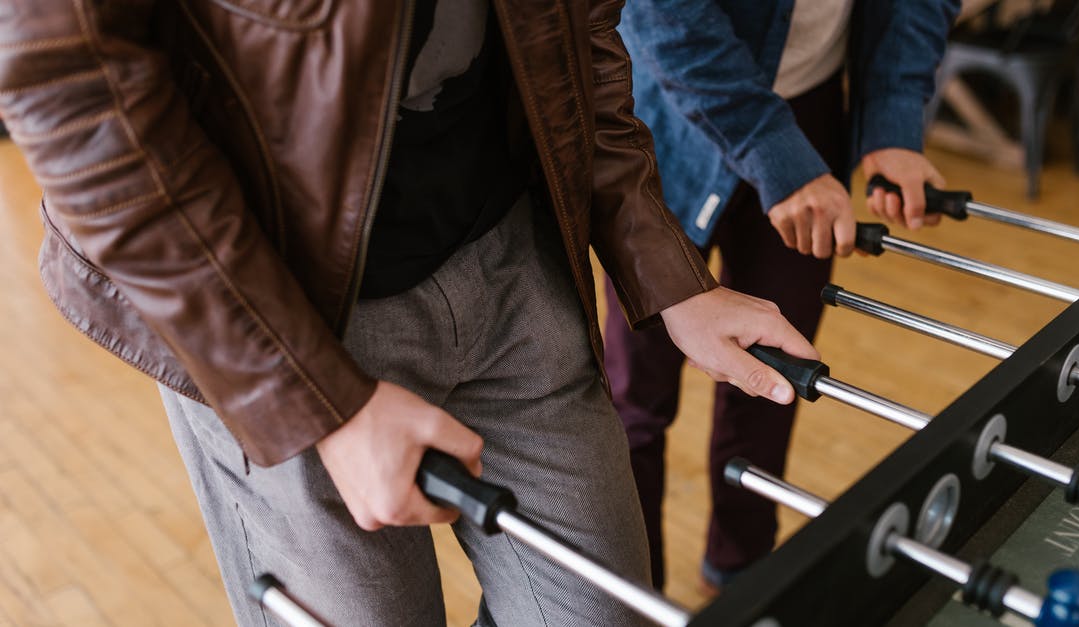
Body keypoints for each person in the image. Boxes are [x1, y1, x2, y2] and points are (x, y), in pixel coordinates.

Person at [0, 1, 820, 624]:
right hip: (275, 304)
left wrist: (665, 270)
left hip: (510, 257)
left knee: (602, 609)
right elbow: (73, 96)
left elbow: (579, 32)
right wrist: (312, 396)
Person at [607, 0, 960, 591]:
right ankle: (636, 597)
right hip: (669, 109)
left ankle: (742, 570)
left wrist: (894, 118)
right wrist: (774, 152)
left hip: (810, 110)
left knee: (777, 379)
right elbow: (664, 13)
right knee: (635, 399)